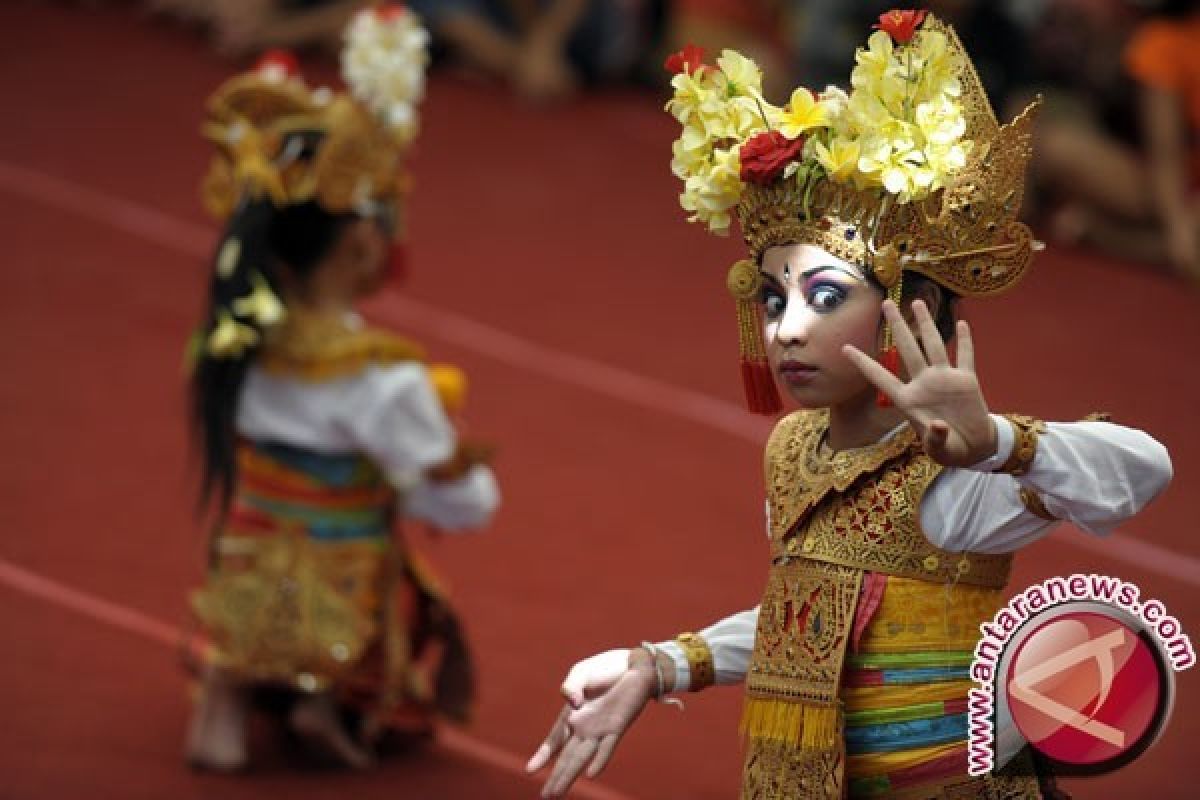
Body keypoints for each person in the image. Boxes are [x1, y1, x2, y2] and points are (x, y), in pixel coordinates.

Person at [527, 10, 1172, 798]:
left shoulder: (957, 479)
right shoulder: (794, 450)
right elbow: (812, 624)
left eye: (824, 297)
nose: (786, 329)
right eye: (770, 298)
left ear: (916, 313)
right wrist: (663, 664)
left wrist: (1003, 441)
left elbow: (1146, 470)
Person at [183, 6, 500, 772]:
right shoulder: (383, 377)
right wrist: (460, 470)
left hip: (249, 559)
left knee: (267, 546)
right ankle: (321, 695)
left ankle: (227, 697)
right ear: (363, 245)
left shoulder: (233, 341)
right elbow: (457, 502)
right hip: (340, 580)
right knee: (394, 576)